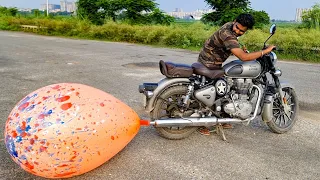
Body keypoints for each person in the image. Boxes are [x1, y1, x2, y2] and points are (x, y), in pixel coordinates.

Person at [197, 13, 276, 136]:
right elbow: (243, 57)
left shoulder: (230, 26)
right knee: (215, 90)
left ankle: (223, 118)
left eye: (241, 31)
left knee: (228, 86)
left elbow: (228, 46)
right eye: (237, 27)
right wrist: (265, 51)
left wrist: (238, 50)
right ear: (235, 21)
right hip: (209, 63)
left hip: (213, 61)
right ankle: (202, 123)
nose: (237, 31)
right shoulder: (227, 34)